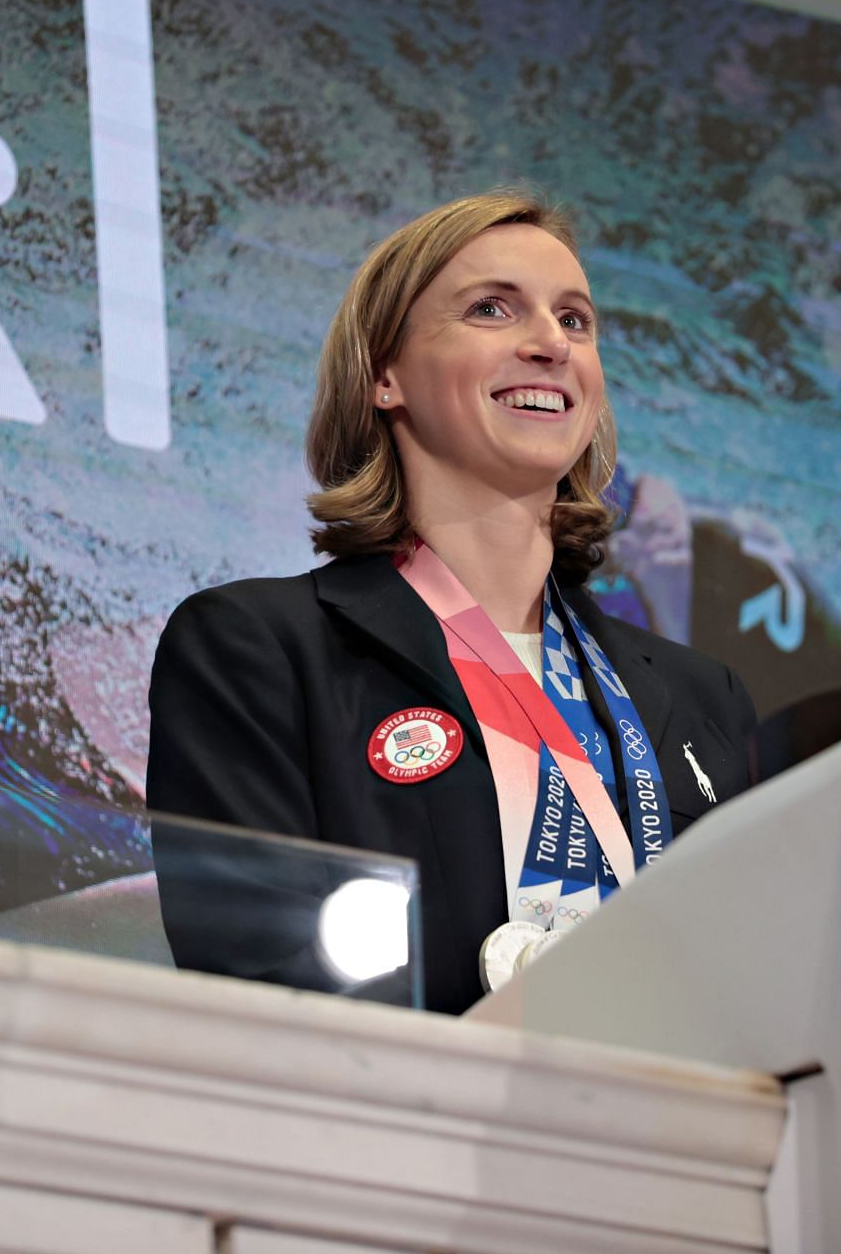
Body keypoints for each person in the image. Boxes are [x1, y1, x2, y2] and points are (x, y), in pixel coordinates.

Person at [147, 191, 756, 1014]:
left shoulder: (701, 699)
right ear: (384, 375)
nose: (550, 343)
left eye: (575, 321)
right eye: (492, 308)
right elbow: (260, 986)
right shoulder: (260, 650)